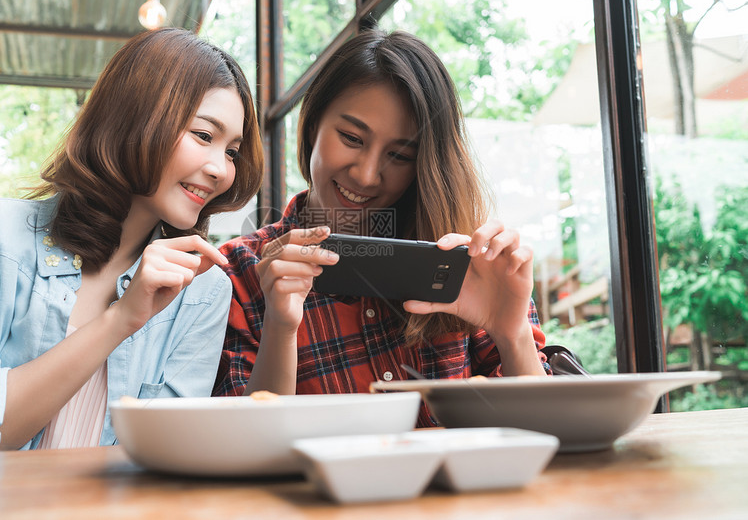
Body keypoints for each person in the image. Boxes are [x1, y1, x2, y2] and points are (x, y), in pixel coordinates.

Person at [0, 28, 263, 456]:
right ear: (134, 119)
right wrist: (119, 320)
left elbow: (168, 455)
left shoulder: (202, 288)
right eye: (203, 135)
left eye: (232, 150)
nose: (222, 169)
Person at [214, 29, 548, 426]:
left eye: (400, 155)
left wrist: (512, 333)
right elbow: (245, 443)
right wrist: (281, 330)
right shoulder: (237, 271)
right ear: (311, 125)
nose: (368, 175)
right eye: (352, 138)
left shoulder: (468, 261)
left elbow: (542, 431)